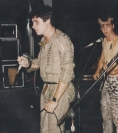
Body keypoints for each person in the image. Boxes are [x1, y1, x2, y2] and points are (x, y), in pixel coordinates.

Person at [17, 5, 75, 133]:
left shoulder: (62, 40)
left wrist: (55, 99)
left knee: (54, 129)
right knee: (44, 129)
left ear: (47, 20)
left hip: (60, 91)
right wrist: (28, 64)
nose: (33, 26)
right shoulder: (44, 41)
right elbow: (40, 62)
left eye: (36, 22)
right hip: (46, 89)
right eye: (32, 22)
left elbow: (67, 71)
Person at [93, 13, 118, 133]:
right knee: (106, 113)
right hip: (106, 80)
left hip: (117, 81)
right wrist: (97, 70)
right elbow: (102, 58)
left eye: (107, 26)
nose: (105, 29)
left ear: (113, 25)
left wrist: (114, 71)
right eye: (102, 26)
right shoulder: (104, 41)